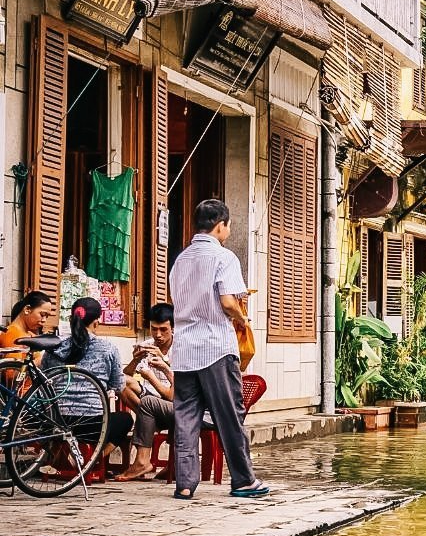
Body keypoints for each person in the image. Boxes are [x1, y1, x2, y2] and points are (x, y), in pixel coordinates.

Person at [169, 199, 267, 499]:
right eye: (228, 225)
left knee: (185, 416)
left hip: (184, 347)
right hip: (215, 346)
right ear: (220, 225)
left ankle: (185, 484)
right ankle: (244, 480)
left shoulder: (180, 260)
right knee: (228, 414)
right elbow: (227, 302)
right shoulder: (224, 258)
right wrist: (243, 317)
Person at [41, 297, 134, 452]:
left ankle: (61, 459)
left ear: (71, 319)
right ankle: (94, 461)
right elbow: (118, 386)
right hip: (93, 426)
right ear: (96, 323)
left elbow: (44, 379)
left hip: (55, 422)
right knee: (126, 419)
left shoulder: (54, 348)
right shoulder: (108, 349)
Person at [115, 303, 176, 481]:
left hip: (172, 402)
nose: (158, 335)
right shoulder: (147, 344)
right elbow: (125, 375)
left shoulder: (181, 348)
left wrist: (162, 364)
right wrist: (134, 362)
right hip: (151, 399)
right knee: (122, 382)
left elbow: (172, 396)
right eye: (153, 329)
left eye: (163, 329)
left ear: (173, 327)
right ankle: (149, 421)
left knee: (148, 404)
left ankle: (142, 458)